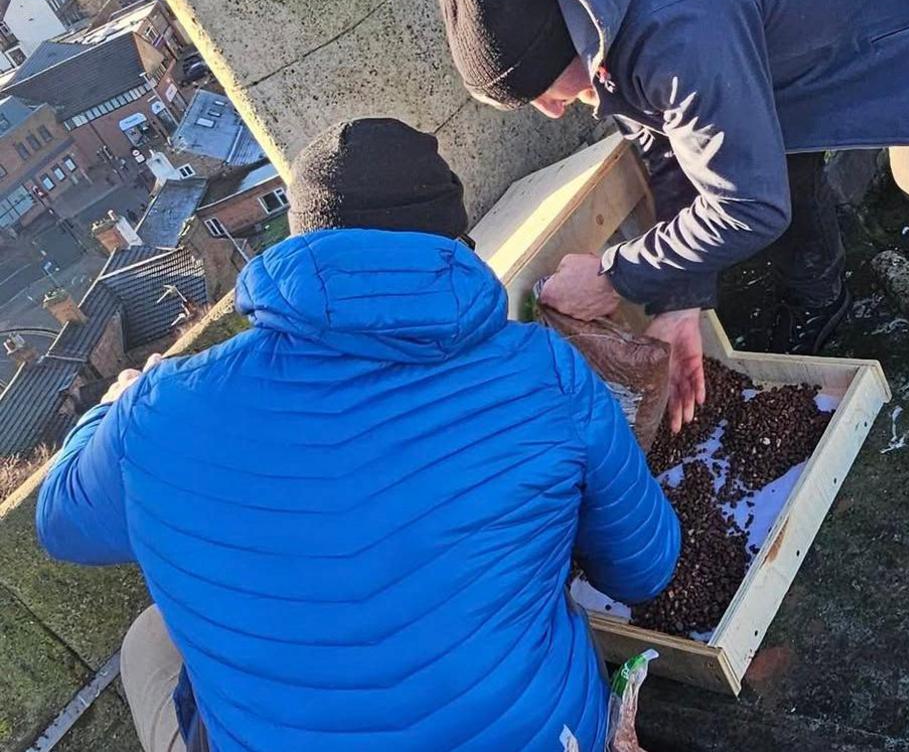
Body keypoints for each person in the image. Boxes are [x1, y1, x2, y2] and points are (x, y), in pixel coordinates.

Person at [35, 118, 681, 752]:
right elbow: (647, 567)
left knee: (149, 641)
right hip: (559, 737)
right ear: (458, 247)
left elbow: (58, 521)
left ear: (297, 253)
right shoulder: (545, 370)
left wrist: (113, 406)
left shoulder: (160, 410)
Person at [431, 0, 909, 429]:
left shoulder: (677, 27)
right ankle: (822, 293)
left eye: (543, 93)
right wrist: (679, 299)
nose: (553, 114)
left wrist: (616, 274)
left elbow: (745, 205)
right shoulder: (592, 4)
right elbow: (668, 144)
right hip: (789, 13)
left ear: (571, 44)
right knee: (765, 160)